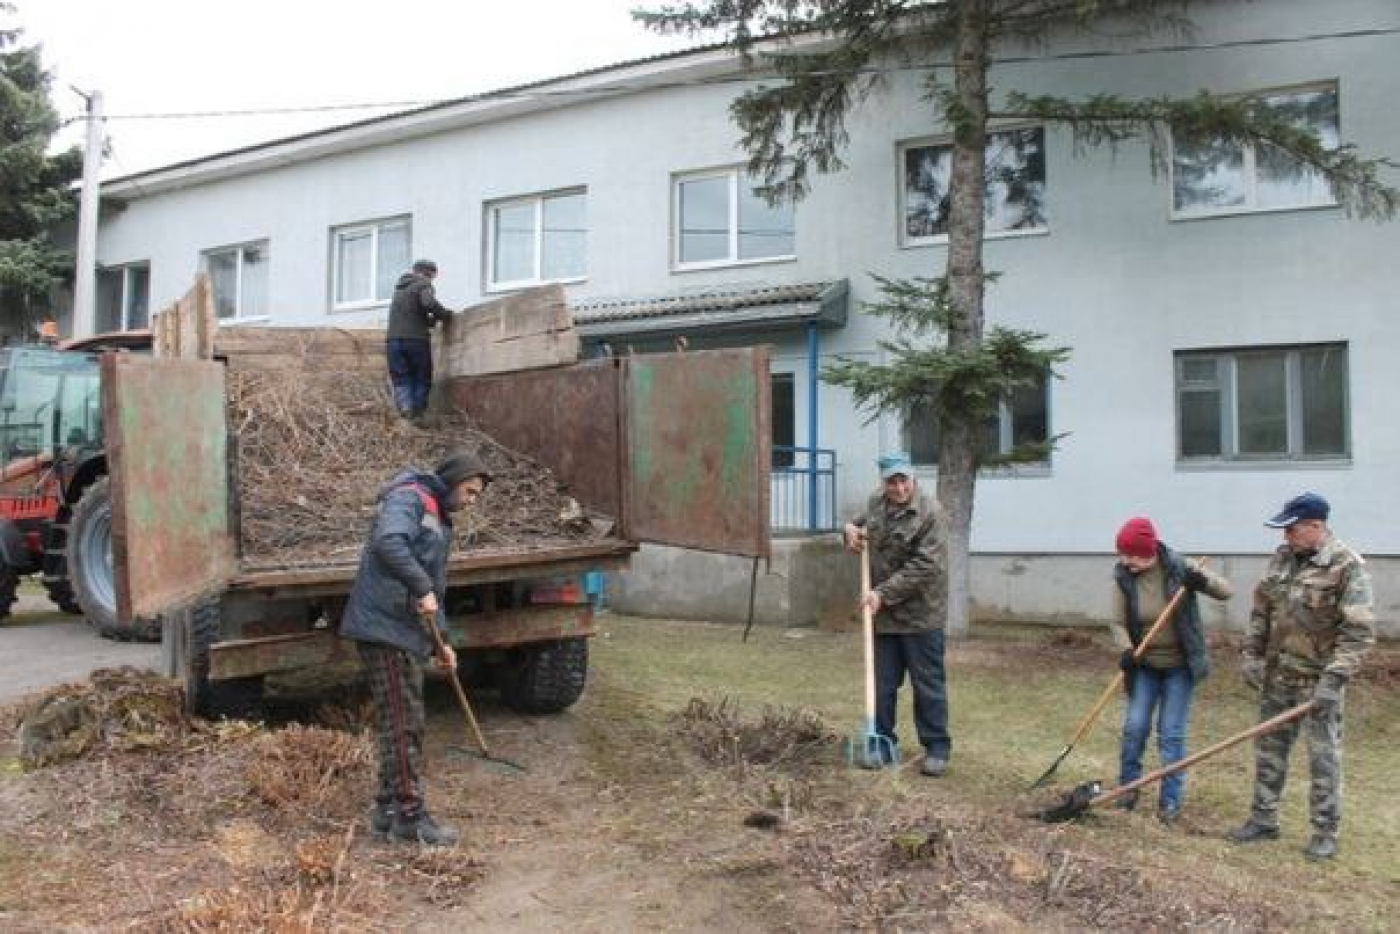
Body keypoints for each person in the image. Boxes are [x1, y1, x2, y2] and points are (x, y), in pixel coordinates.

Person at [341, 450, 493, 846]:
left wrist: (443, 644)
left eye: (477, 495)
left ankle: (386, 810)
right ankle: (410, 815)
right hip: (385, 629)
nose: (472, 501)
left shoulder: (439, 517)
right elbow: (388, 543)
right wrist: (421, 587)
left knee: (400, 722)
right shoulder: (410, 498)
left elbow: (433, 587)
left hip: (405, 630)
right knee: (404, 723)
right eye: (470, 491)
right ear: (454, 479)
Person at [1227, 493, 1375, 860]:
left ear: (1315, 526)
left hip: (1318, 683)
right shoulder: (1282, 560)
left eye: (1292, 528)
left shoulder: (1345, 565)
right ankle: (1264, 820)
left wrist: (1334, 680)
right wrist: (1252, 655)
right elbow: (1262, 611)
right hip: (1279, 678)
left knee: (1323, 758)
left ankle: (1325, 832)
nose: (1286, 536)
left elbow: (1358, 633)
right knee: (1268, 751)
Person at [1110, 516, 1232, 824]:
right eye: (1122, 554)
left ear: (1148, 550)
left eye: (1131, 555)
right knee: (1135, 727)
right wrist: (1126, 649)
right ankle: (1128, 789)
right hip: (1146, 666)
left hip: (1181, 666)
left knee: (1171, 733)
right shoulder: (1123, 576)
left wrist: (1201, 581)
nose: (1126, 560)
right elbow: (1117, 622)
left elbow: (1225, 591)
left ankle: (1170, 802)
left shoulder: (1180, 567)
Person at [842, 452, 951, 776]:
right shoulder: (877, 502)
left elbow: (926, 566)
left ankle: (937, 748)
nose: (899, 488)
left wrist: (881, 594)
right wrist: (848, 529)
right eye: (892, 481)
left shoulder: (933, 513)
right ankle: (881, 742)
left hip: (921, 614)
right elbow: (860, 523)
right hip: (884, 615)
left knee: (927, 684)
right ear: (883, 482)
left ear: (913, 478)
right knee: (882, 683)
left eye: (904, 480)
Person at [387, 259, 454, 422]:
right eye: (433, 276)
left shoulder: (399, 290)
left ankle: (406, 411)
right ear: (429, 273)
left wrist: (429, 321)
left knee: (401, 377)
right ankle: (418, 415)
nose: (432, 280)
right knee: (421, 376)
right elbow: (429, 303)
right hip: (415, 341)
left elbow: (412, 314)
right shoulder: (423, 284)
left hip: (393, 342)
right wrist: (445, 315)